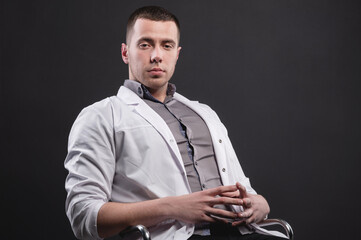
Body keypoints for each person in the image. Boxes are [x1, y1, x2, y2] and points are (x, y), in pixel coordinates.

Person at [65, 6, 287, 240]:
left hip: (240, 233)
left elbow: (244, 189)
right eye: (145, 44)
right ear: (125, 53)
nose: (156, 55)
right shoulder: (101, 116)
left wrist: (260, 203)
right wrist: (173, 207)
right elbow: (83, 215)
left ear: (177, 53)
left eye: (166, 45)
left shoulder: (205, 113)